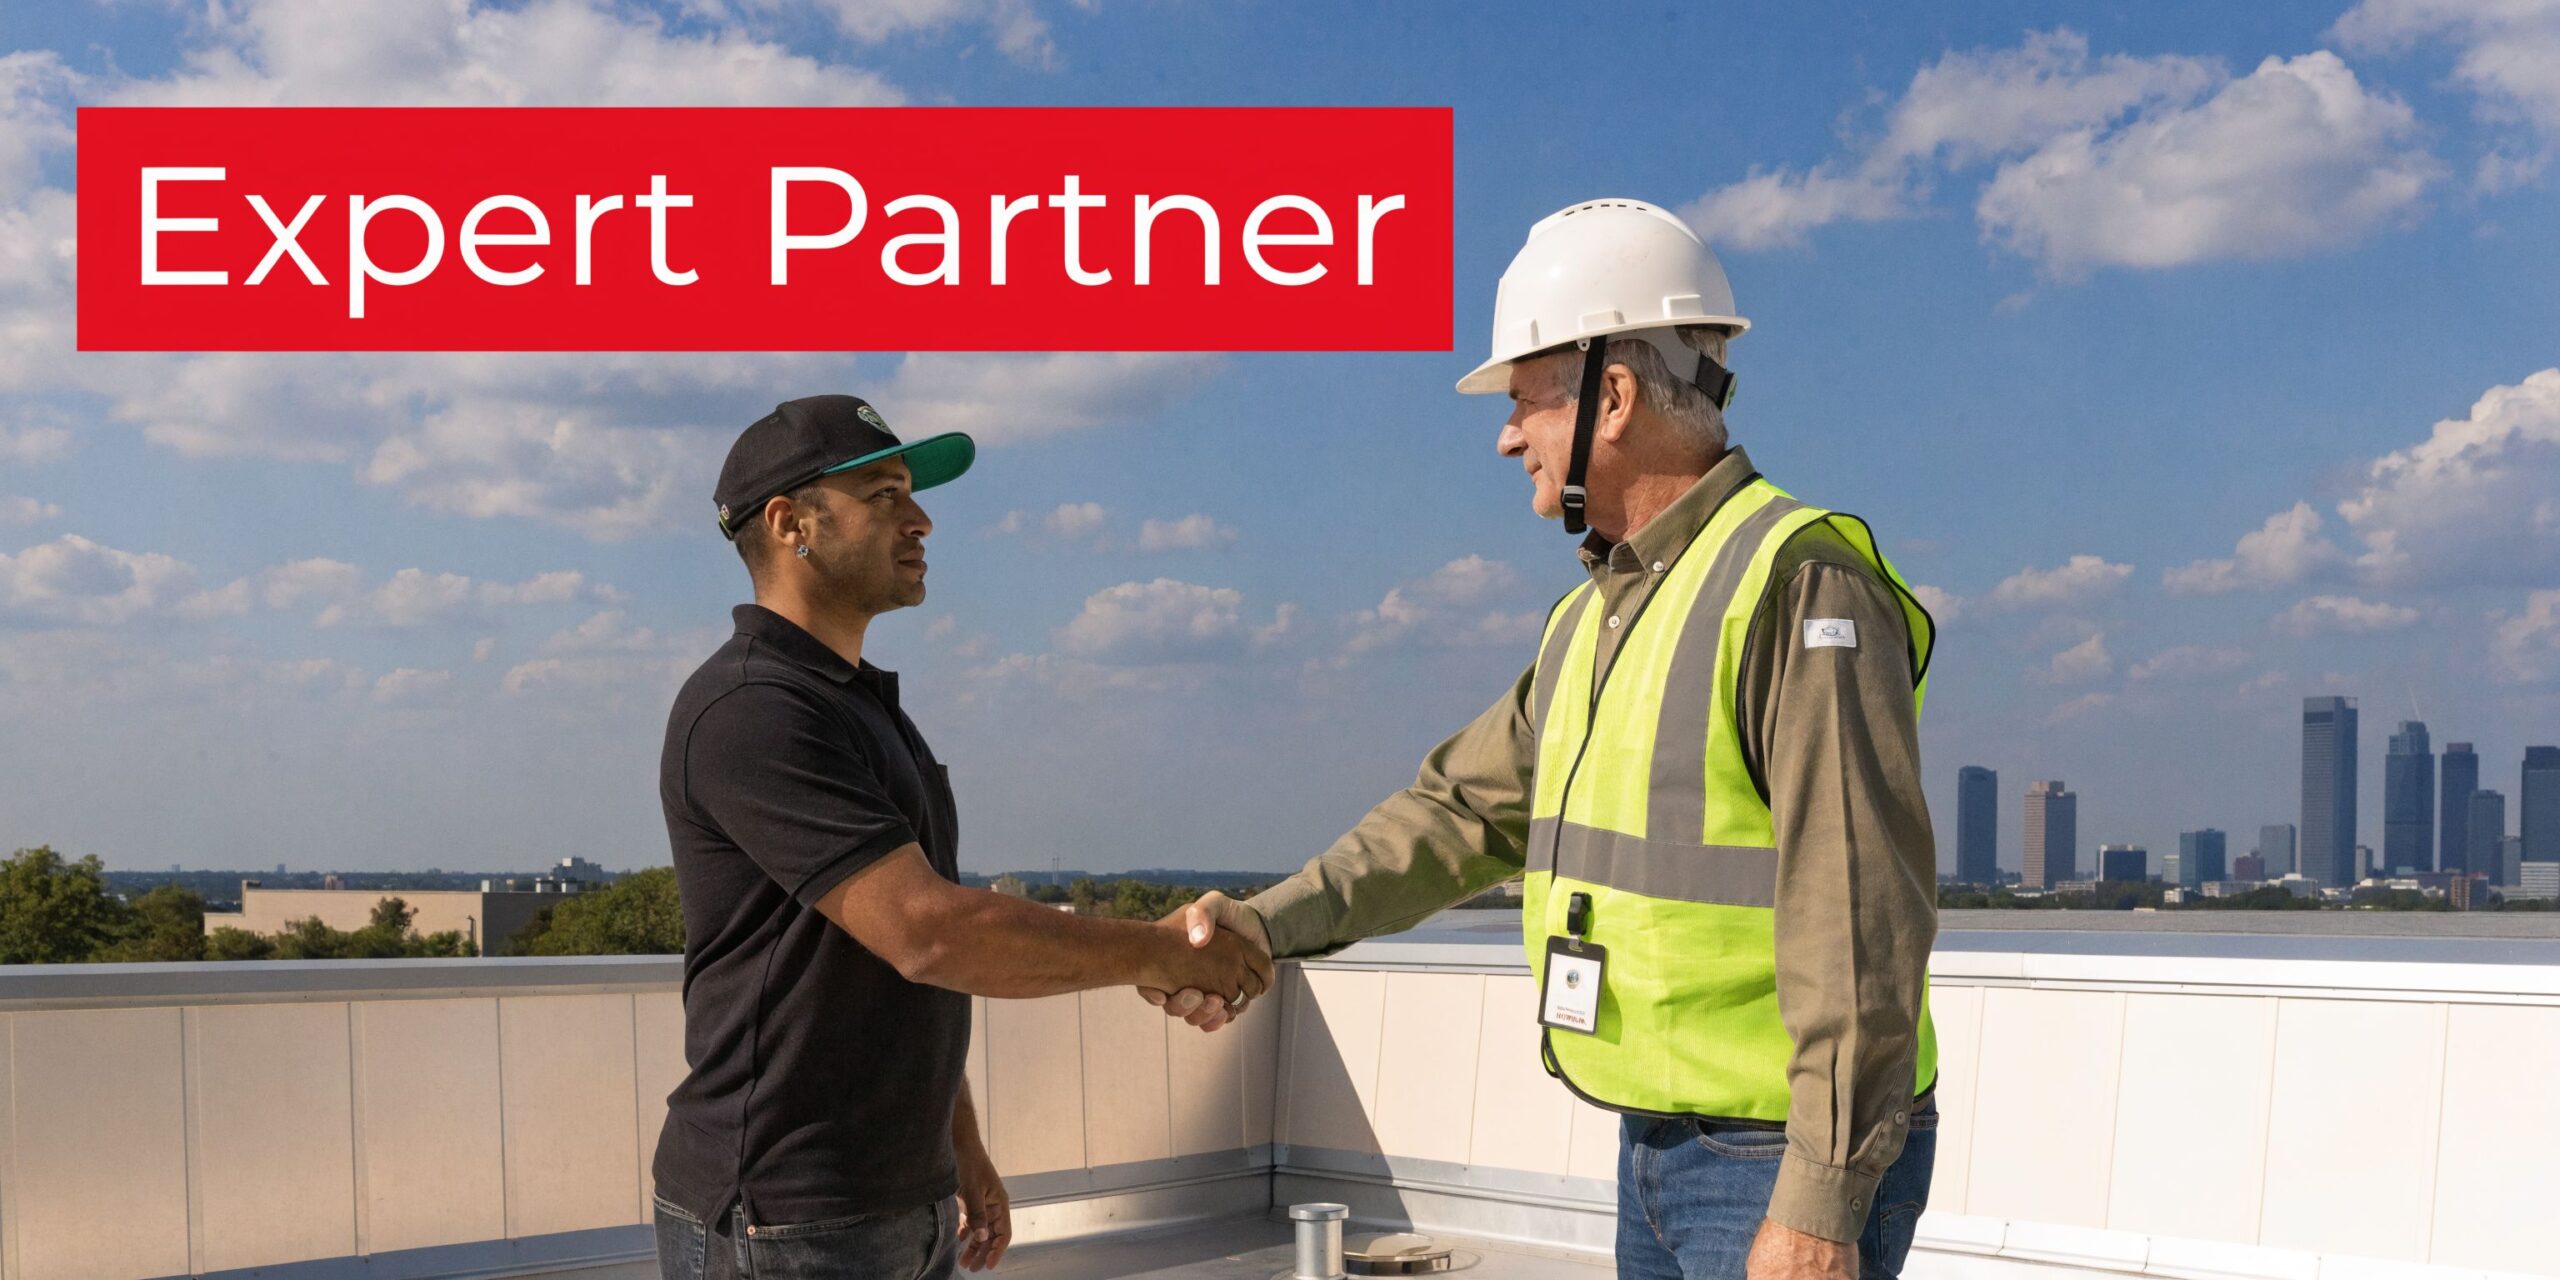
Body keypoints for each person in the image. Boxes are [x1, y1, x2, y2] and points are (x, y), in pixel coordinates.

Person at [1150, 201, 1941, 1280]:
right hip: (1654, 1143)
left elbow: (1858, 916)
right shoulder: (1597, 615)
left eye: (1524, 399)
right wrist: (1258, 922)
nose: (1505, 432)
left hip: (1772, 1157)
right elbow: (1457, 814)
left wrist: (1821, 1199)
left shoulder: (1796, 581)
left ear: (1612, 396)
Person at [652, 394, 1271, 1280]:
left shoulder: (857, 708)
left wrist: (959, 1148)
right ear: (792, 524)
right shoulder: (753, 710)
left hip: (896, 1198)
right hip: (787, 1216)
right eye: (883, 495)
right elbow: (931, 932)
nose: (921, 519)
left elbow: (889, 969)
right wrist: (1163, 952)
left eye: (911, 492)